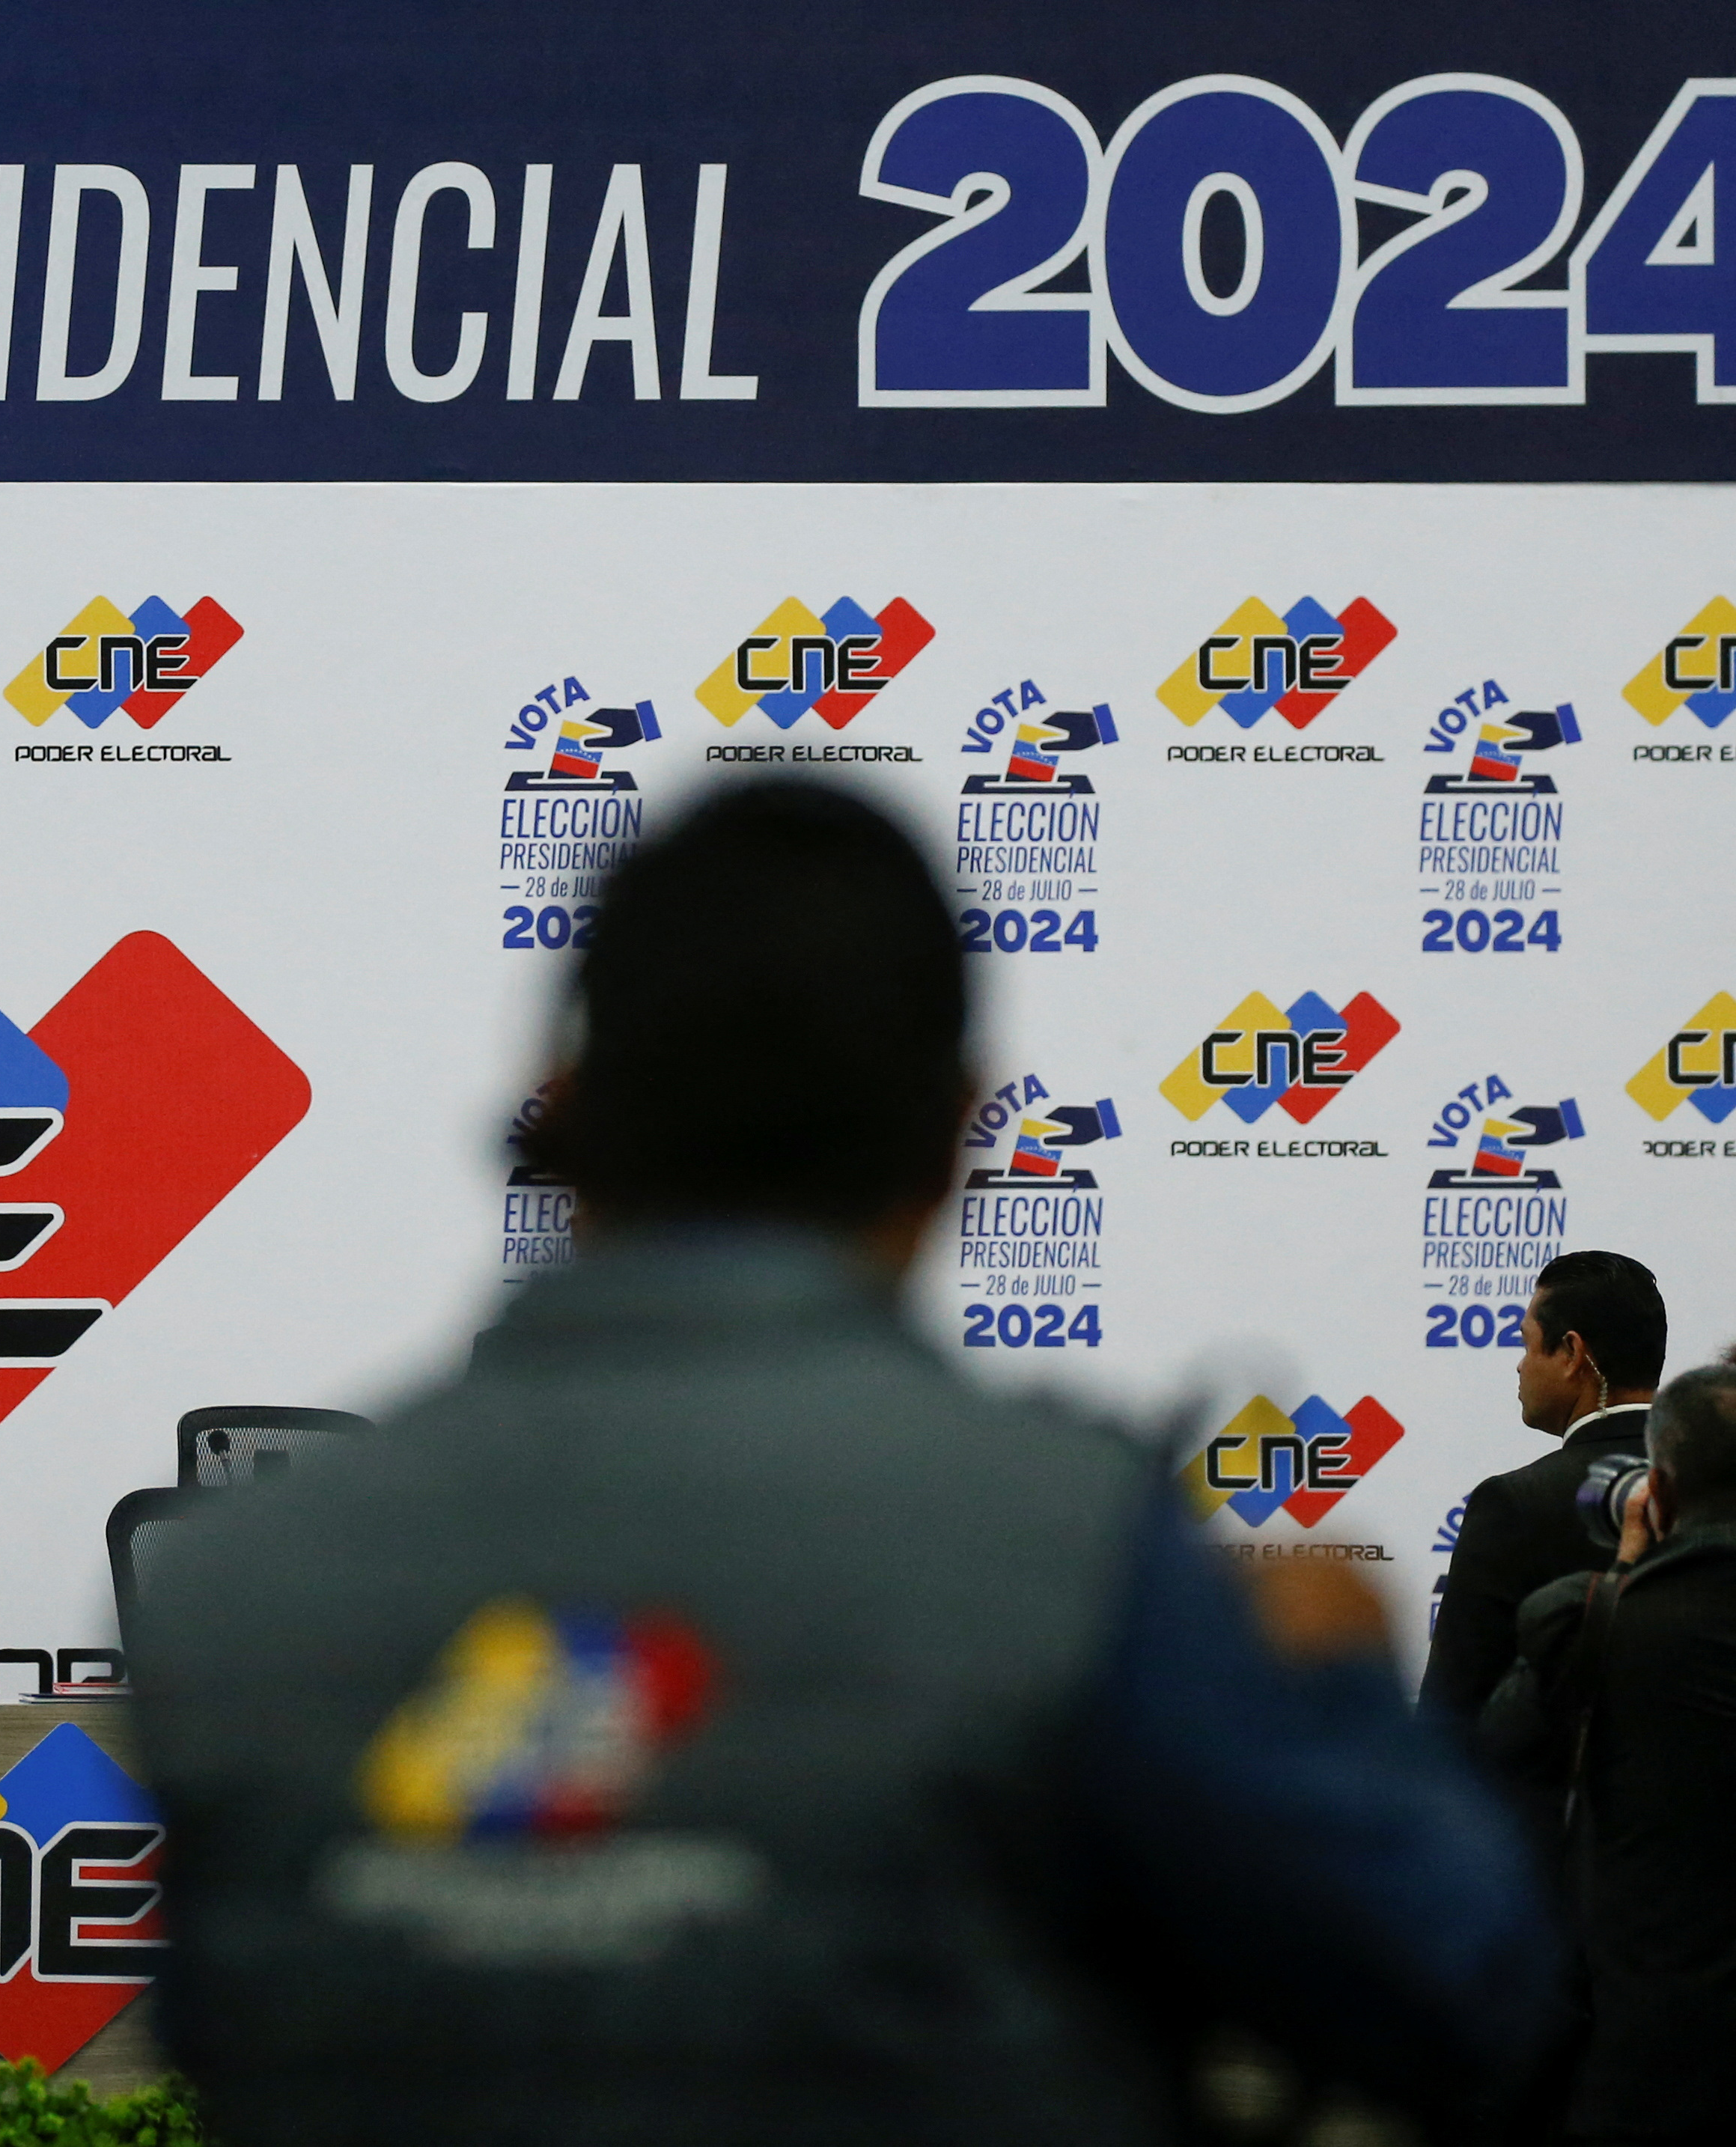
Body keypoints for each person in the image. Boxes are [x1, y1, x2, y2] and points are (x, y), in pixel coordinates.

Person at [130, 779, 1553, 2145]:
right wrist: (1334, 1681)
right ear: (955, 1135)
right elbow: (1462, 1984)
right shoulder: (1072, 1556)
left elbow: (217, 2032)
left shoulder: (226, 1581)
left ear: (560, 1105)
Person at [1495, 1364, 1736, 2143]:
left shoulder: (1591, 1624)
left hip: (1641, 2056)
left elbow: (1501, 1750)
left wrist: (1625, 1569)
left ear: (1656, 1493)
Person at [1422, 1252, 1669, 1726]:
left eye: (1527, 1345)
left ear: (1573, 1354)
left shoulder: (1513, 1506)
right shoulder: (1714, 1485)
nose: (1520, 1367)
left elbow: (1451, 1718)